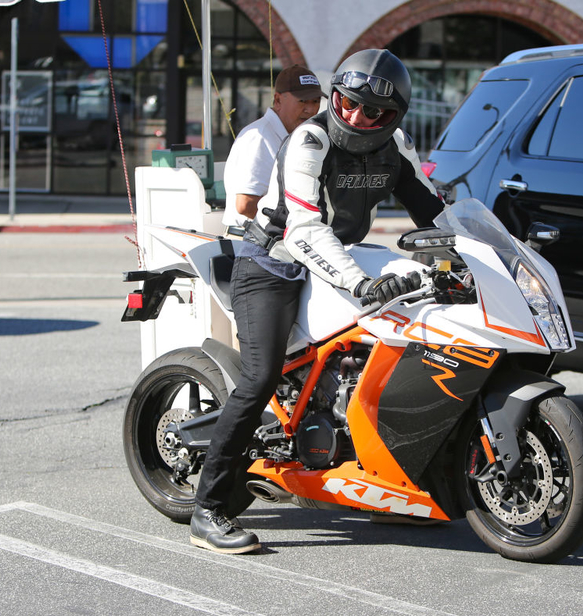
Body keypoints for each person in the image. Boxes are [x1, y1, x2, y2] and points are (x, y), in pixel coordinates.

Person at [190, 49, 444, 554]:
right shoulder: (310, 137)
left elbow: (435, 212)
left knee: (403, 347)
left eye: (373, 111)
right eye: (348, 102)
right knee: (260, 376)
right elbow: (304, 228)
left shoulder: (396, 147)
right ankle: (209, 508)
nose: (356, 116)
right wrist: (361, 285)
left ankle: (392, 486)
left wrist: (483, 255)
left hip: (339, 259)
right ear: (336, 96)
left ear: (393, 116)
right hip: (274, 265)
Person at [222, 64, 323, 226]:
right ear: (278, 100)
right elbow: (245, 204)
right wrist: (291, 226)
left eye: (316, 101)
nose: (310, 109)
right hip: (253, 242)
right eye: (302, 101)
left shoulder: (292, 136)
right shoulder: (259, 137)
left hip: (275, 240)